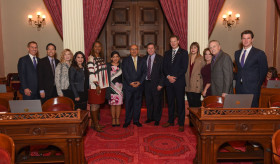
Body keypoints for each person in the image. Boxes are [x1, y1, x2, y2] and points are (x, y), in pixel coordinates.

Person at [234, 30, 268, 107]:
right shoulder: (237, 53)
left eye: (248, 38)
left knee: (252, 113)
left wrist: (257, 85)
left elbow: (264, 70)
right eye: (244, 38)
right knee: (239, 111)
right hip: (239, 88)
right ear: (241, 40)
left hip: (253, 89)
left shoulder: (259, 53)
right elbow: (239, 70)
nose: (246, 40)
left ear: (252, 39)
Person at [162, 35, 188, 132]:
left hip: (179, 82)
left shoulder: (184, 53)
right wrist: (168, 76)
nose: (173, 43)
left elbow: (184, 68)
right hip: (169, 82)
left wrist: (174, 77)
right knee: (170, 102)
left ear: (178, 41)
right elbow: (164, 67)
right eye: (171, 41)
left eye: (174, 41)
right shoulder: (167, 53)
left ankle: (181, 123)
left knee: (180, 103)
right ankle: (170, 121)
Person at [122, 45, 147, 128]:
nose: (134, 51)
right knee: (128, 104)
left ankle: (136, 120)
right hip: (129, 86)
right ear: (130, 51)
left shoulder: (142, 60)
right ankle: (127, 121)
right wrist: (130, 82)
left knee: (138, 104)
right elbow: (125, 73)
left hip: (139, 86)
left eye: (135, 49)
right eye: (132, 49)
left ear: (138, 50)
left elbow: (144, 72)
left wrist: (140, 82)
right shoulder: (125, 60)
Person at [87, 41, 109, 132]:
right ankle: (96, 125)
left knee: (98, 104)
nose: (97, 48)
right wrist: (96, 84)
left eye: (99, 46)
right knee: (94, 105)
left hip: (102, 85)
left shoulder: (100, 58)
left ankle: (94, 123)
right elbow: (91, 73)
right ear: (93, 48)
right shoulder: (91, 58)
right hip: (95, 86)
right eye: (96, 46)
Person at [144, 43, 164, 126]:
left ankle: (157, 119)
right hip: (146, 83)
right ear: (147, 50)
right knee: (148, 102)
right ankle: (150, 117)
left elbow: (163, 73)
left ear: (154, 49)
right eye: (149, 48)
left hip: (157, 84)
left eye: (152, 48)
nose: (150, 50)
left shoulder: (160, 58)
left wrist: (161, 84)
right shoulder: (144, 58)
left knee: (157, 102)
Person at [106, 51, 123, 127]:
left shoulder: (122, 66)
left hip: (120, 88)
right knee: (112, 104)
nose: (115, 58)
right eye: (114, 57)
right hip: (111, 88)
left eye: (117, 56)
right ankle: (113, 119)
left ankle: (117, 119)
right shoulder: (108, 66)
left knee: (118, 104)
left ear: (119, 58)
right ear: (111, 58)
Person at [185, 42, 205, 107]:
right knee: (190, 103)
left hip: (197, 84)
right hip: (188, 83)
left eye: (195, 47)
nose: (193, 49)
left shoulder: (201, 58)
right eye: (191, 48)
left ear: (198, 49)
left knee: (196, 103)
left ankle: (197, 117)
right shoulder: (186, 57)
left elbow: (204, 72)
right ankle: (191, 117)